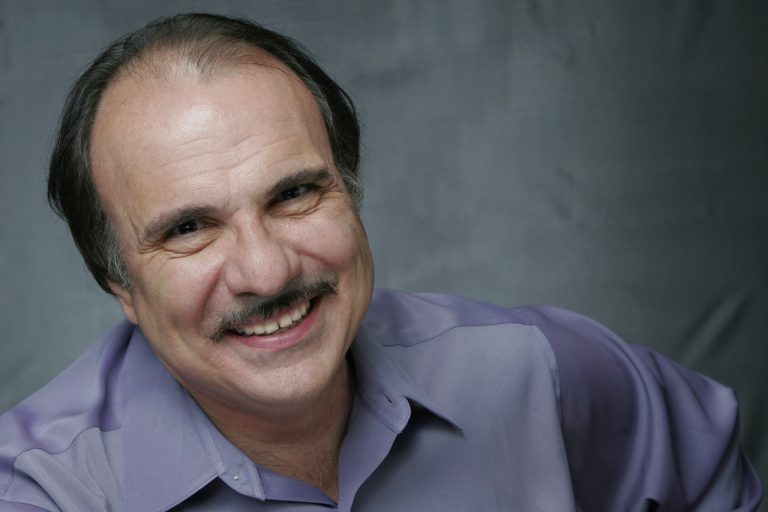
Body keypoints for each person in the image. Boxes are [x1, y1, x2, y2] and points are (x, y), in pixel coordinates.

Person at [0, 12, 761, 512]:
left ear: (351, 191)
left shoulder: (534, 371)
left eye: (295, 193)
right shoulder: (43, 493)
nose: (267, 273)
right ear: (120, 283)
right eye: (191, 228)